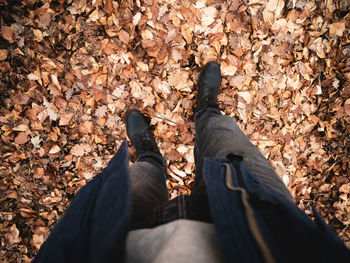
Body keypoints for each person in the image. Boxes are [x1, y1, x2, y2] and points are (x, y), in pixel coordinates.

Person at [34, 62, 349, 263]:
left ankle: (149, 155)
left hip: (112, 234)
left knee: (143, 175)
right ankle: (207, 111)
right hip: (259, 217)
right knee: (224, 134)